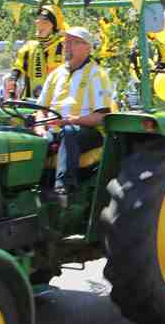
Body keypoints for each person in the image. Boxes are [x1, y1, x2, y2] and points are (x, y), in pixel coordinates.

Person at [34, 27, 113, 206]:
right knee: (26, 139)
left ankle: (64, 189)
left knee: (70, 131)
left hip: (87, 132)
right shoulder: (55, 74)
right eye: (65, 42)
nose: (66, 46)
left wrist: (73, 120)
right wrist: (39, 127)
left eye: (73, 42)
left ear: (87, 48)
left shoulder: (97, 75)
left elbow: (101, 116)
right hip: (54, 129)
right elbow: (40, 109)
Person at [8, 5, 66, 99]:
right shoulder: (30, 46)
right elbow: (18, 66)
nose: (37, 23)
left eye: (44, 21)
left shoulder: (65, 47)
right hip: (30, 102)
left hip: (56, 103)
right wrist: (12, 79)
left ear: (54, 26)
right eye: (37, 19)